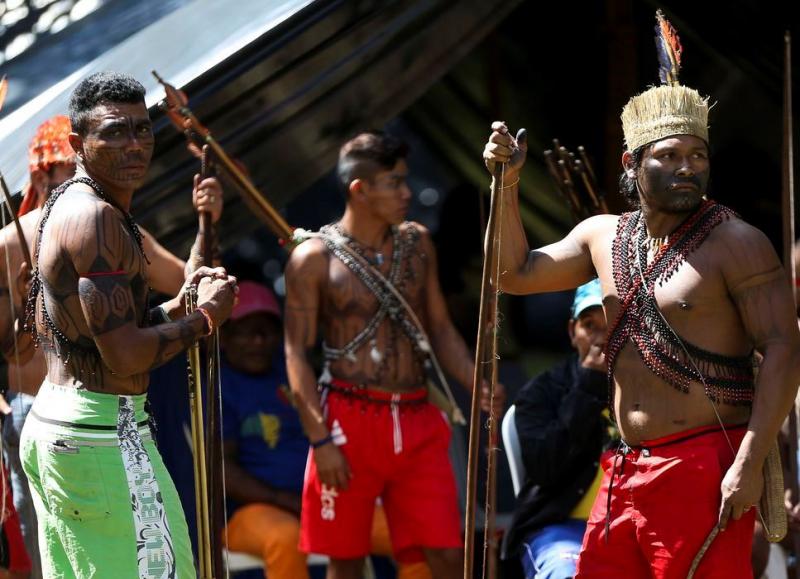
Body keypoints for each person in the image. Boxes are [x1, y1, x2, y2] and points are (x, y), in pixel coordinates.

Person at [482, 24, 800, 578]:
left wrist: (749, 462)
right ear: (631, 163)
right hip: (625, 469)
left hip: (705, 467)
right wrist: (506, 184)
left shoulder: (738, 242)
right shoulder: (602, 236)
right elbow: (512, 273)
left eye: (698, 155)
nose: (687, 167)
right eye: (670, 154)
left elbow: (783, 349)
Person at [17, 71, 237, 578]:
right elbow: (125, 354)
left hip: (66, 426)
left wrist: (181, 304)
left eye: (142, 129)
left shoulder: (77, 207)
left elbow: (109, 333)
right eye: (115, 131)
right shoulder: (96, 220)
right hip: (99, 436)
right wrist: (204, 319)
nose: (134, 144)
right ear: (78, 143)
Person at [285, 131, 501, 579]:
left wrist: (474, 383)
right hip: (347, 422)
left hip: (418, 418)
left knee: (445, 555)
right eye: (394, 183)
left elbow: (439, 327)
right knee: (345, 562)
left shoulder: (418, 243)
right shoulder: (312, 258)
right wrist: (320, 440)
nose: (407, 193)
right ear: (359, 190)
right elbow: (296, 352)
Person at [222, 280, 430, 578]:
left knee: (414, 535)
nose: (257, 341)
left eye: (265, 331)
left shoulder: (294, 374)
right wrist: (285, 501)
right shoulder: (219, 387)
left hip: (327, 500)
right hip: (253, 512)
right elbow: (222, 470)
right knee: (286, 539)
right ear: (225, 337)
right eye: (245, 331)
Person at [503, 279, 614, 579]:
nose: (602, 338)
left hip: (632, 528)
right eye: (590, 325)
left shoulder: (653, 392)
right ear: (571, 332)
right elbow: (546, 468)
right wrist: (590, 385)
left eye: (613, 324)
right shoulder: (540, 392)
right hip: (561, 528)